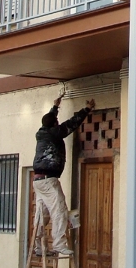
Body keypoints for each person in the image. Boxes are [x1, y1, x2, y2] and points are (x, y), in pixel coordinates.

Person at [33, 95, 95, 256]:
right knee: (59, 210)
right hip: (48, 180)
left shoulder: (42, 132)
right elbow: (71, 124)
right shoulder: (55, 133)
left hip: (38, 180)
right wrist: (86, 109)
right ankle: (59, 244)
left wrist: (55, 107)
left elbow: (49, 119)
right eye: (56, 122)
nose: (58, 123)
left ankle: (39, 247)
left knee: (42, 214)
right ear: (54, 125)